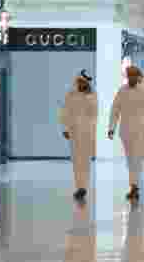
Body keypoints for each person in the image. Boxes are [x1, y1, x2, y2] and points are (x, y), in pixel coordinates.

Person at [108, 65, 144, 200]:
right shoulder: (122, 90)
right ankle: (133, 185)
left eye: (134, 75)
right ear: (127, 77)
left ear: (138, 76)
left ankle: (135, 186)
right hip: (125, 130)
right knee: (130, 159)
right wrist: (111, 128)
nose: (131, 78)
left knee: (137, 158)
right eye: (129, 76)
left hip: (140, 129)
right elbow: (115, 109)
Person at [60, 70, 97, 200]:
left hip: (87, 132)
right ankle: (79, 186)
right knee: (76, 161)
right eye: (80, 81)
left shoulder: (92, 95)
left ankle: (83, 187)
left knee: (85, 161)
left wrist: (87, 97)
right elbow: (65, 111)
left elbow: (94, 112)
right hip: (74, 132)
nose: (81, 84)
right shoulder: (71, 94)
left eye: (84, 82)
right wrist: (65, 128)